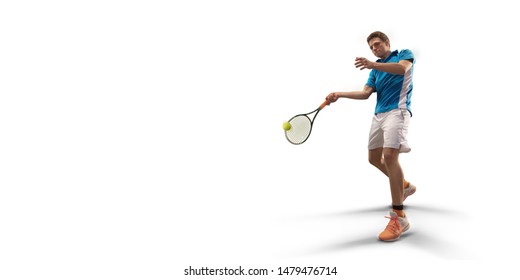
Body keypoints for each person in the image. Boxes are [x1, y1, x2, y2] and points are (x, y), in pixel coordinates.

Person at [326, 31, 416, 241]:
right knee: (374, 158)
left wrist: (372, 64)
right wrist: (339, 94)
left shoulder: (403, 54)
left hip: (398, 111)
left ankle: (399, 217)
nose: (375, 49)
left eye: (377, 45)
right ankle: (405, 186)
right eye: (372, 48)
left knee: (391, 156)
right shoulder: (375, 70)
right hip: (379, 114)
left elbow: (402, 69)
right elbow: (365, 93)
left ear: (387, 42)